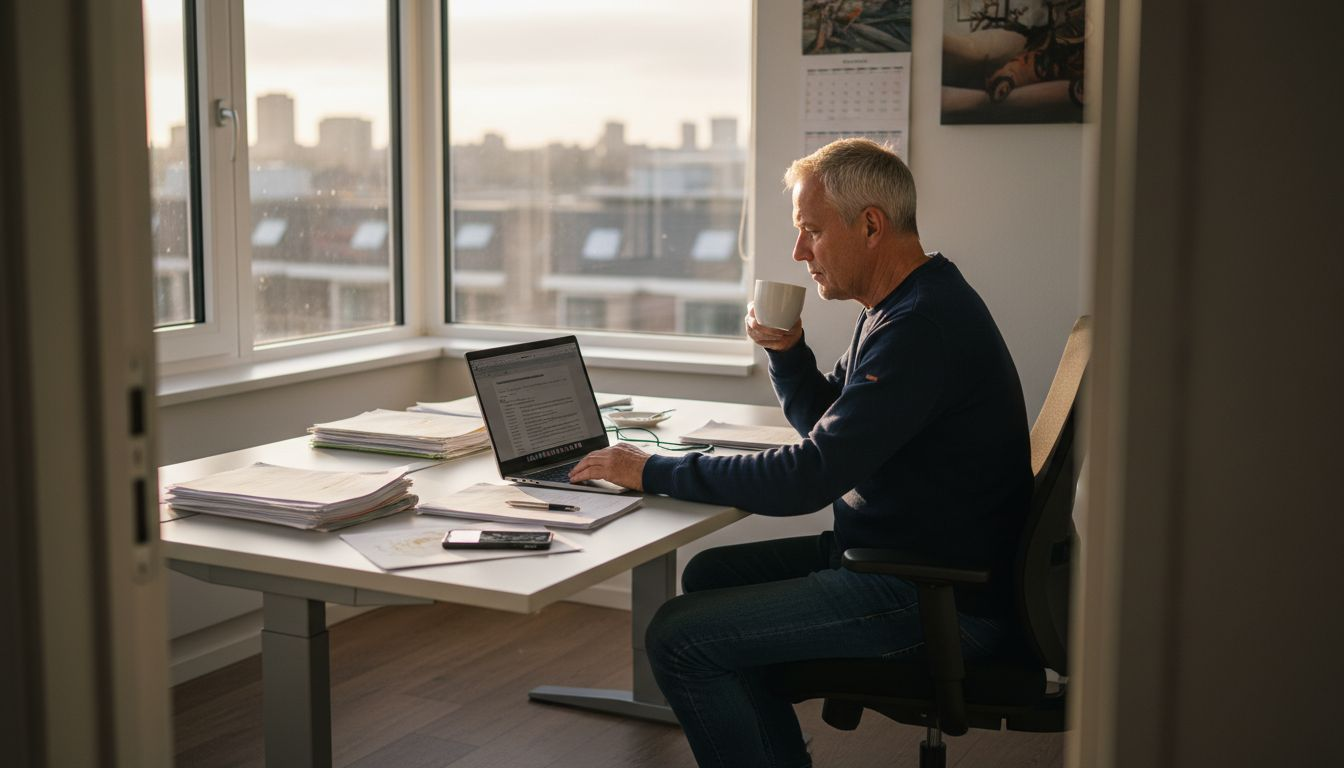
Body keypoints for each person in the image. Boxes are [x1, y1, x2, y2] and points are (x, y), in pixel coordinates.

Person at [569, 138, 1032, 768]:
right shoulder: (902, 305)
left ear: (870, 226)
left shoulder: (920, 327)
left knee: (677, 638)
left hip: (931, 595)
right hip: (906, 558)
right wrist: (786, 352)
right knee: (708, 576)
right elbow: (829, 425)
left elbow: (807, 478)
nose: (798, 251)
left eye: (811, 231)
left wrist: (650, 469)